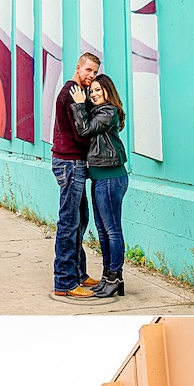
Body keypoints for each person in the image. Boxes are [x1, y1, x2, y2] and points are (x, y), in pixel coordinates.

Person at [69, 73, 129, 298]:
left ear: (107, 91)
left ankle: (115, 278)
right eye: (91, 91)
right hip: (99, 177)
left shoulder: (108, 112)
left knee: (112, 230)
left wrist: (78, 105)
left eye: (97, 90)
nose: (93, 94)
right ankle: (108, 277)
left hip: (111, 177)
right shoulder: (98, 111)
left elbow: (85, 130)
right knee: (103, 232)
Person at [52, 52, 102, 298]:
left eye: (94, 72)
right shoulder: (73, 94)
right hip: (70, 163)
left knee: (79, 220)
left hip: (72, 162)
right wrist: (83, 106)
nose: (91, 76)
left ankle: (78, 273)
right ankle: (65, 282)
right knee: (69, 222)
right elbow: (81, 134)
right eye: (88, 70)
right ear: (78, 67)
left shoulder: (75, 91)